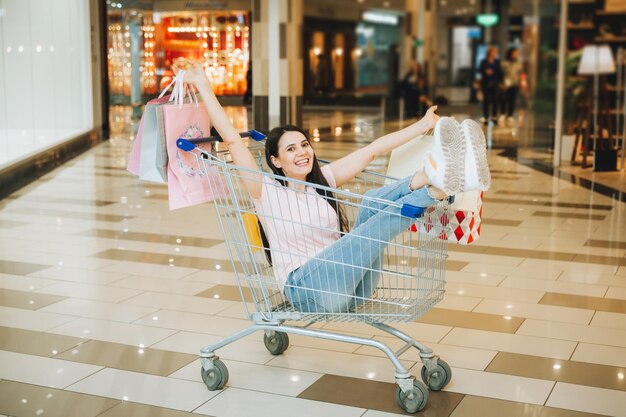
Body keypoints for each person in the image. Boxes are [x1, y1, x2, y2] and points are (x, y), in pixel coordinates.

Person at [177, 62, 490, 314]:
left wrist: (424, 125)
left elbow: (371, 151)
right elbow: (232, 139)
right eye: (290, 150)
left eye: (304, 144)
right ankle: (435, 188)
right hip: (308, 290)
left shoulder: (321, 181)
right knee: (375, 225)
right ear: (275, 161)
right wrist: (202, 83)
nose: (302, 153)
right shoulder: (263, 189)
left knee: (369, 203)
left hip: (350, 287)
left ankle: (427, 177)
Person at [478, 46, 502, 125]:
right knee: (486, 101)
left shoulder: (497, 62)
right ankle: (486, 117)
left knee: (496, 100)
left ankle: (494, 117)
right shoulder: (484, 61)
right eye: (492, 52)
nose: (494, 54)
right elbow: (480, 70)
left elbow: (500, 72)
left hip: (495, 83)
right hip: (486, 83)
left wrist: (501, 82)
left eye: (495, 52)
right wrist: (486, 71)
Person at [499, 47, 522, 126]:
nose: (516, 55)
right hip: (505, 84)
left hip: (514, 84)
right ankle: (503, 114)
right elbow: (501, 73)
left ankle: (510, 115)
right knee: (503, 99)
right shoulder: (504, 63)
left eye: (516, 53)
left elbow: (520, 74)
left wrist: (521, 82)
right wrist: (502, 83)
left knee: (512, 99)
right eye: (514, 53)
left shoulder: (518, 63)